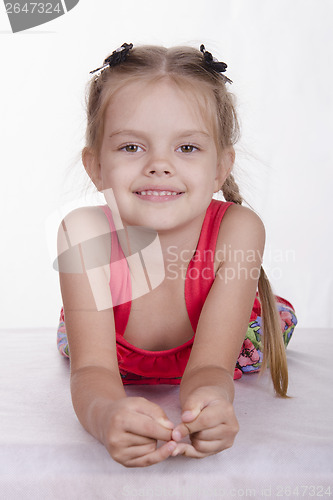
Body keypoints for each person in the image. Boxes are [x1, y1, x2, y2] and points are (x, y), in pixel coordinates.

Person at [56, 43, 297, 468]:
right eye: (132, 147)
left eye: (187, 148)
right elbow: (92, 370)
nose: (159, 165)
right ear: (95, 167)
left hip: (231, 338)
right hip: (114, 346)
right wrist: (106, 413)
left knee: (270, 327)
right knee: (73, 344)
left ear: (221, 167)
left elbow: (211, 369)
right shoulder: (83, 235)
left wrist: (210, 404)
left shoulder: (238, 231)